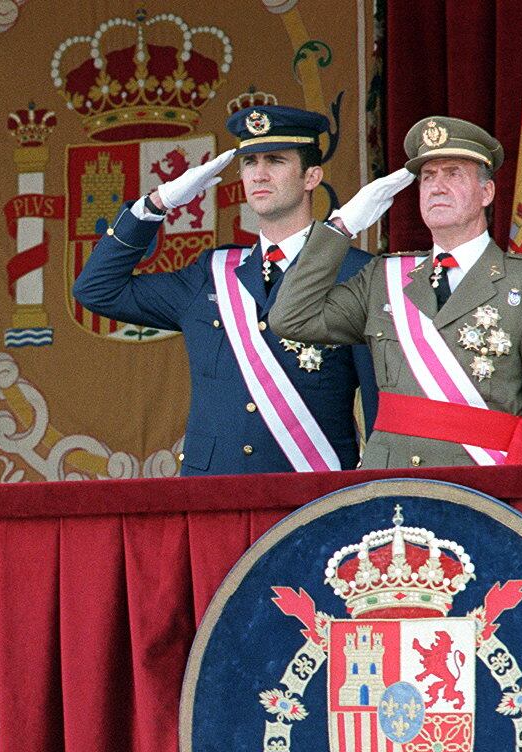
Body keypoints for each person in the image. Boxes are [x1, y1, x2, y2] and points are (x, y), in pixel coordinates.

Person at [74, 104, 376, 475]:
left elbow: (382, 409)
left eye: (276, 161)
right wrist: (157, 204)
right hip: (211, 493)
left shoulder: (356, 273)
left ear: (311, 176)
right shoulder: (213, 272)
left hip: (311, 493)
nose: (259, 174)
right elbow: (96, 290)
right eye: (250, 163)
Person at [269, 116, 522, 466]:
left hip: (484, 491)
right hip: (390, 488)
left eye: (453, 173)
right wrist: (342, 226)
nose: (437, 187)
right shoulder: (384, 278)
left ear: (486, 192)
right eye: (428, 177)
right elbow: (291, 317)